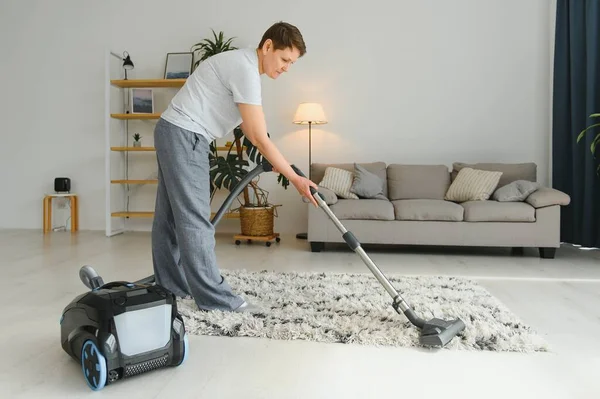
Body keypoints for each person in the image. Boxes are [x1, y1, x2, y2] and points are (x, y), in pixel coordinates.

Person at [152, 21, 318, 313]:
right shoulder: (244, 70)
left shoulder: (241, 66)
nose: (286, 68)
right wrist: (295, 177)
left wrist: (281, 164)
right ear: (267, 46)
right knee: (195, 219)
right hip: (185, 134)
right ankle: (215, 299)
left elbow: (253, 129)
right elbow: (258, 137)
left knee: (169, 219)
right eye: (284, 59)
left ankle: (170, 286)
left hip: (172, 130)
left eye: (291, 63)